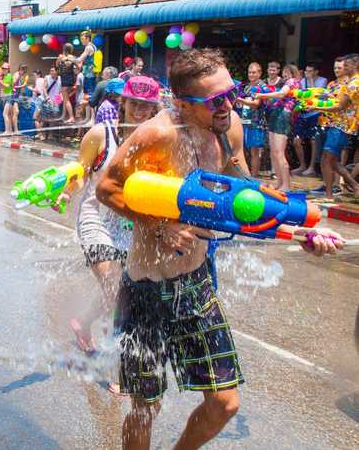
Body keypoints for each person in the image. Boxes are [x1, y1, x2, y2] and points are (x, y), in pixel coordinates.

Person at [95, 48, 344, 450]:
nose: (228, 104)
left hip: (195, 285)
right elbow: (106, 188)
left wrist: (300, 229)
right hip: (146, 289)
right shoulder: (155, 134)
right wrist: (159, 226)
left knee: (224, 403)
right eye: (215, 100)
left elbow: (246, 194)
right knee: (146, 407)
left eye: (232, 92)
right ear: (181, 104)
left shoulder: (229, 129)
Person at [57, 76, 160, 356]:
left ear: (154, 109)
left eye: (146, 105)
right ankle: (118, 365)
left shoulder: (156, 141)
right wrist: (67, 193)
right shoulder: (101, 135)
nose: (139, 110)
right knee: (116, 288)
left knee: (121, 288)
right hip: (96, 217)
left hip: (130, 223)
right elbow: (81, 171)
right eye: (134, 103)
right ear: (123, 102)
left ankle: (83, 323)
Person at [315, 54, 359, 199]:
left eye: (346, 65)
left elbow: (339, 107)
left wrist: (315, 107)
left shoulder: (353, 84)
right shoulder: (348, 82)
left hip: (340, 126)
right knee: (331, 160)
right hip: (336, 124)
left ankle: (329, 195)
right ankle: (353, 185)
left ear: (355, 65)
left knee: (327, 159)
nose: (343, 68)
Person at [255, 64, 302, 191]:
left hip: (282, 116)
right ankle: (280, 183)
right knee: (274, 152)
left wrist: (262, 96)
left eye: (287, 72)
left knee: (279, 153)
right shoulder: (288, 82)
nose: (284, 75)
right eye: (284, 73)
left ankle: (286, 185)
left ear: (292, 73)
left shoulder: (292, 81)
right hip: (277, 115)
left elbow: (282, 94)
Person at [235, 62, 266, 177]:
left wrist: (240, 100)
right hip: (244, 121)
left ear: (259, 73)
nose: (251, 75)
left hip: (256, 123)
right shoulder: (246, 87)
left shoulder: (261, 87)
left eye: (254, 72)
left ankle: (254, 176)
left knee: (254, 151)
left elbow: (256, 104)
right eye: (249, 72)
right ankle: (245, 175)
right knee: (243, 150)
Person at [34, 67, 62, 140]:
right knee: (37, 117)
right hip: (43, 100)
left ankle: (50, 135)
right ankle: (40, 135)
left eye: (53, 71)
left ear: (57, 71)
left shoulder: (60, 79)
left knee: (52, 119)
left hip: (54, 101)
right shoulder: (47, 77)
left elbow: (59, 91)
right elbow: (44, 88)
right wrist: (47, 97)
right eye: (50, 70)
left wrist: (58, 102)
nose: (51, 72)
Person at [4, 64, 28, 135]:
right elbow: (12, 84)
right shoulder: (17, 75)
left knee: (15, 112)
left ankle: (15, 130)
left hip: (16, 97)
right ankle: (8, 130)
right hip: (12, 96)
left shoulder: (21, 76)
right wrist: (20, 86)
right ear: (20, 69)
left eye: (25, 70)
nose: (24, 72)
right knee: (7, 113)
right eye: (23, 70)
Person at [57, 44, 77, 123]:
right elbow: (78, 67)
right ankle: (64, 115)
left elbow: (58, 66)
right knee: (64, 99)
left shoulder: (66, 57)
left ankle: (71, 117)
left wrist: (62, 60)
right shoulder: (72, 57)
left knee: (65, 100)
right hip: (68, 79)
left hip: (65, 80)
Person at [77, 31, 97, 97]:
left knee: (88, 94)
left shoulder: (88, 47)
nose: (81, 41)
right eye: (81, 39)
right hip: (92, 73)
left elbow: (80, 59)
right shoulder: (93, 46)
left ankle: (89, 107)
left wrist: (69, 58)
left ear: (88, 38)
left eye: (82, 39)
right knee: (91, 93)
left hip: (89, 74)